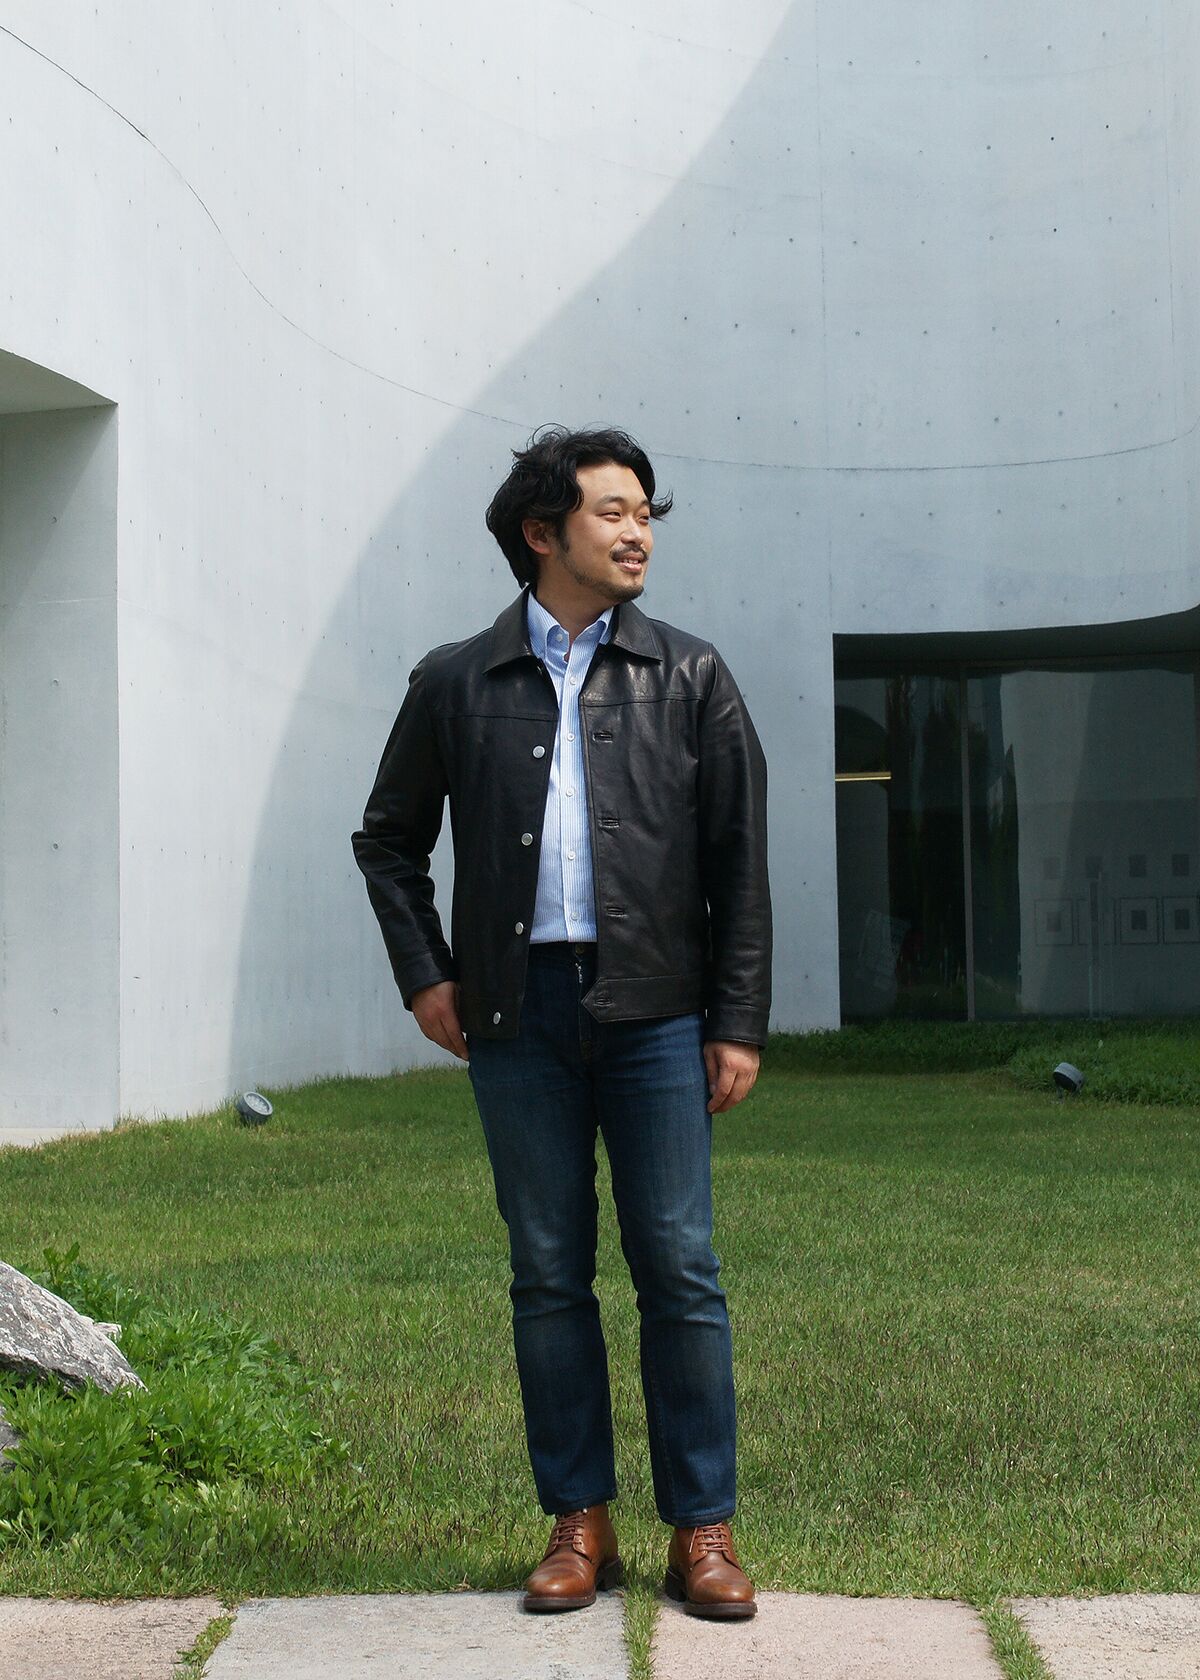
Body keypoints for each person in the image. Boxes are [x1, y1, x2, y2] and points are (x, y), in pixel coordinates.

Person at [352, 425, 771, 1619]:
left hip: (657, 1013)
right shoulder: (455, 680)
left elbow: (738, 861)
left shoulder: (692, 676)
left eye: (647, 513)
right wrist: (427, 977)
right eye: (613, 512)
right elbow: (387, 841)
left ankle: (703, 1531)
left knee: (679, 1266)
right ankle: (579, 1522)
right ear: (543, 533)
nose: (639, 533)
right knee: (547, 1272)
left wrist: (736, 1019)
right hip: (515, 1015)